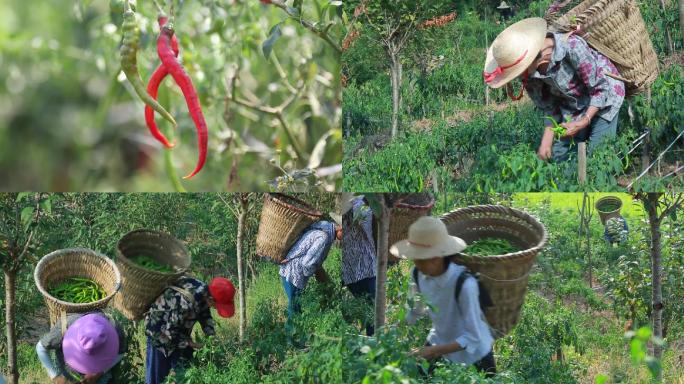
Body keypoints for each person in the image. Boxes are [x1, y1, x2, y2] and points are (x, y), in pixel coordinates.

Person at [484, 18, 625, 163]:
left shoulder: (572, 47)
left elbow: (599, 90)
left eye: (520, 70)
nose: (519, 75)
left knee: (598, 157)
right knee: (561, 157)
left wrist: (583, 122)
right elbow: (549, 106)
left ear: (535, 58)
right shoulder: (529, 74)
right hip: (573, 104)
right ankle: (573, 183)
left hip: (605, 96)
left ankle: (597, 183)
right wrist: (546, 142)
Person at [390, 217, 496, 377]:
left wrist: (433, 351)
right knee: (419, 377)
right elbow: (415, 311)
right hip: (440, 339)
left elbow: (473, 337)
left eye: (420, 258)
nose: (416, 263)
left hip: (475, 353)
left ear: (437, 257)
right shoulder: (417, 274)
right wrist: (392, 331)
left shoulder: (465, 284)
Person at [144, 276, 235, 384]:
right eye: (217, 306)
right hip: (159, 334)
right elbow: (171, 331)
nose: (216, 308)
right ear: (211, 299)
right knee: (158, 378)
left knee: (185, 373)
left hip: (178, 332)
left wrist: (212, 338)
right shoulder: (187, 301)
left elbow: (205, 315)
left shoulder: (205, 292)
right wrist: (191, 343)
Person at [280, 217, 340, 326]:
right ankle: (292, 341)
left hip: (289, 271)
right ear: (340, 228)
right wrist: (316, 273)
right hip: (294, 274)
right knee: (294, 310)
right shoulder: (323, 237)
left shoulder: (321, 229)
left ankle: (295, 339)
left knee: (295, 308)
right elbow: (307, 264)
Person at [36, 312, 126, 384]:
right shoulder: (64, 327)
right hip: (68, 375)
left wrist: (99, 373)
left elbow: (121, 352)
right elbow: (40, 348)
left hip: (99, 378)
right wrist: (55, 377)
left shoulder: (114, 328)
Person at [341, 194, 376, 336]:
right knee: (371, 311)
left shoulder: (357, 209)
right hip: (365, 268)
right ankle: (371, 344)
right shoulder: (361, 208)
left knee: (368, 310)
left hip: (351, 271)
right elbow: (369, 231)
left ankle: (368, 343)